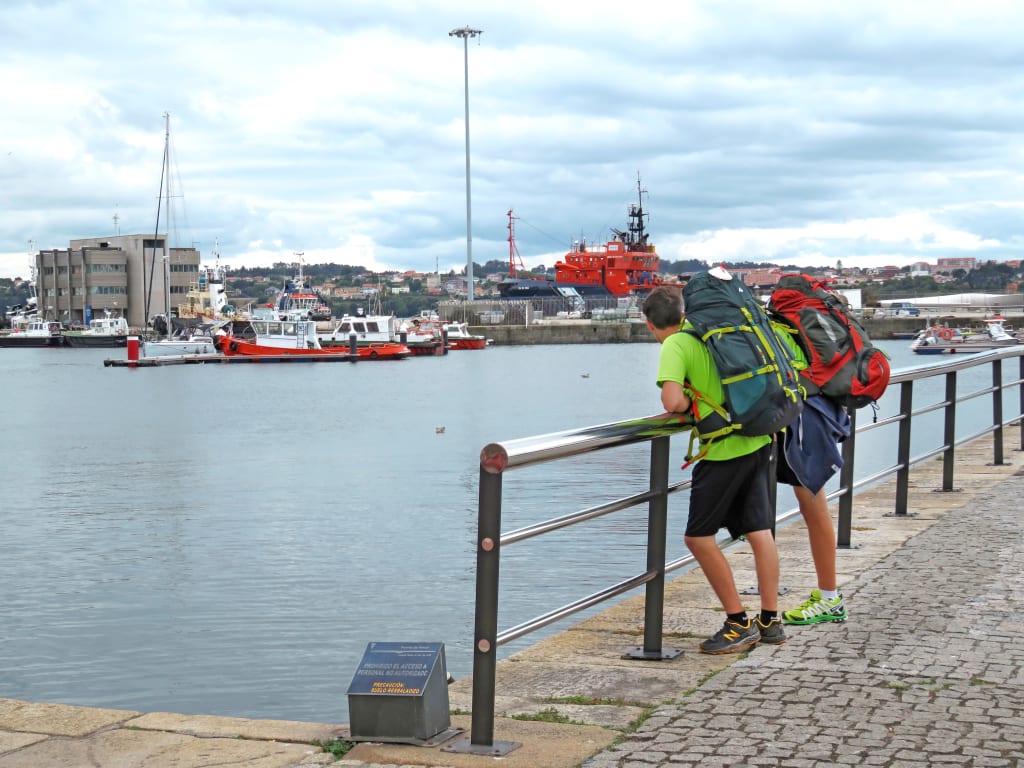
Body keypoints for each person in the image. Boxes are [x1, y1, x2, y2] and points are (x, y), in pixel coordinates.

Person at [642, 283, 786, 654]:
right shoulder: (712, 334)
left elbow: (672, 401)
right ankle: (770, 620)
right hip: (757, 438)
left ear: (649, 324)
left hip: (723, 451)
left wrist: (687, 398)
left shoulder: (677, 344)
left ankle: (738, 623)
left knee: (698, 537)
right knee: (758, 530)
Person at [774, 338, 852, 626]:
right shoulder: (802, 322)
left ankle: (830, 598)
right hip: (819, 410)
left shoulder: (786, 322)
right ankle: (828, 596)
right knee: (812, 503)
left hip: (807, 416)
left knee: (813, 504)